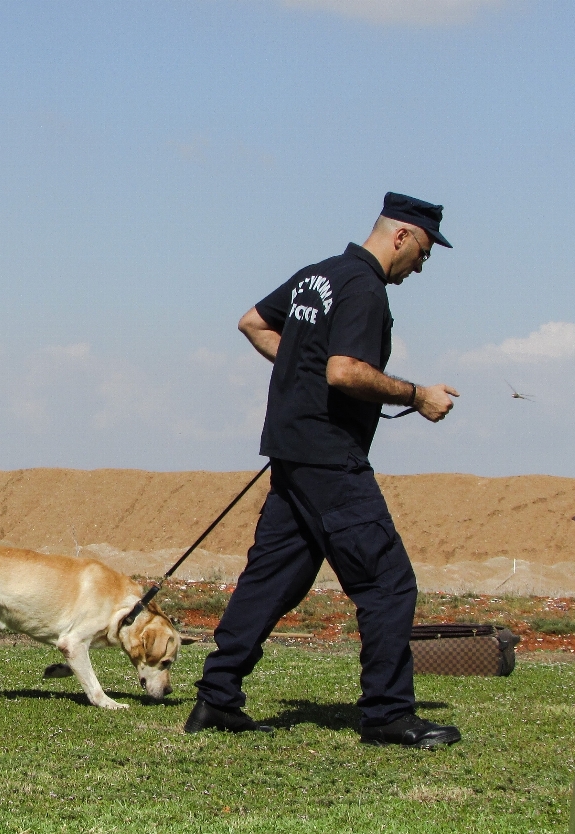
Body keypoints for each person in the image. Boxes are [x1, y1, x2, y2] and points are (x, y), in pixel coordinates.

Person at [184, 193, 461, 748]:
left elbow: (252, 323)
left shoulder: (318, 277)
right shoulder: (364, 288)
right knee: (387, 582)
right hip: (331, 459)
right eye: (425, 251)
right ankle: (388, 714)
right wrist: (418, 394)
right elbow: (344, 371)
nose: (424, 264)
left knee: (272, 580)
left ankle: (216, 699)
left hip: (291, 452)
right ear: (402, 236)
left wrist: (298, 363)